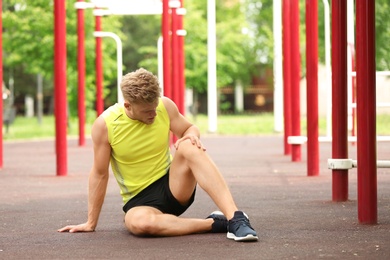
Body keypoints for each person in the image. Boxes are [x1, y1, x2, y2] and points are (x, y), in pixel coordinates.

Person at [58, 68, 258, 242]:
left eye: (154, 108)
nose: (153, 114)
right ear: (128, 105)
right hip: (139, 200)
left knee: (188, 146)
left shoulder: (164, 106)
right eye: (147, 111)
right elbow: (100, 173)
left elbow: (190, 128)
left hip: (173, 185)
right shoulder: (106, 125)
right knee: (139, 224)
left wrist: (191, 137)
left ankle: (236, 218)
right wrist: (91, 222)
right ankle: (215, 224)